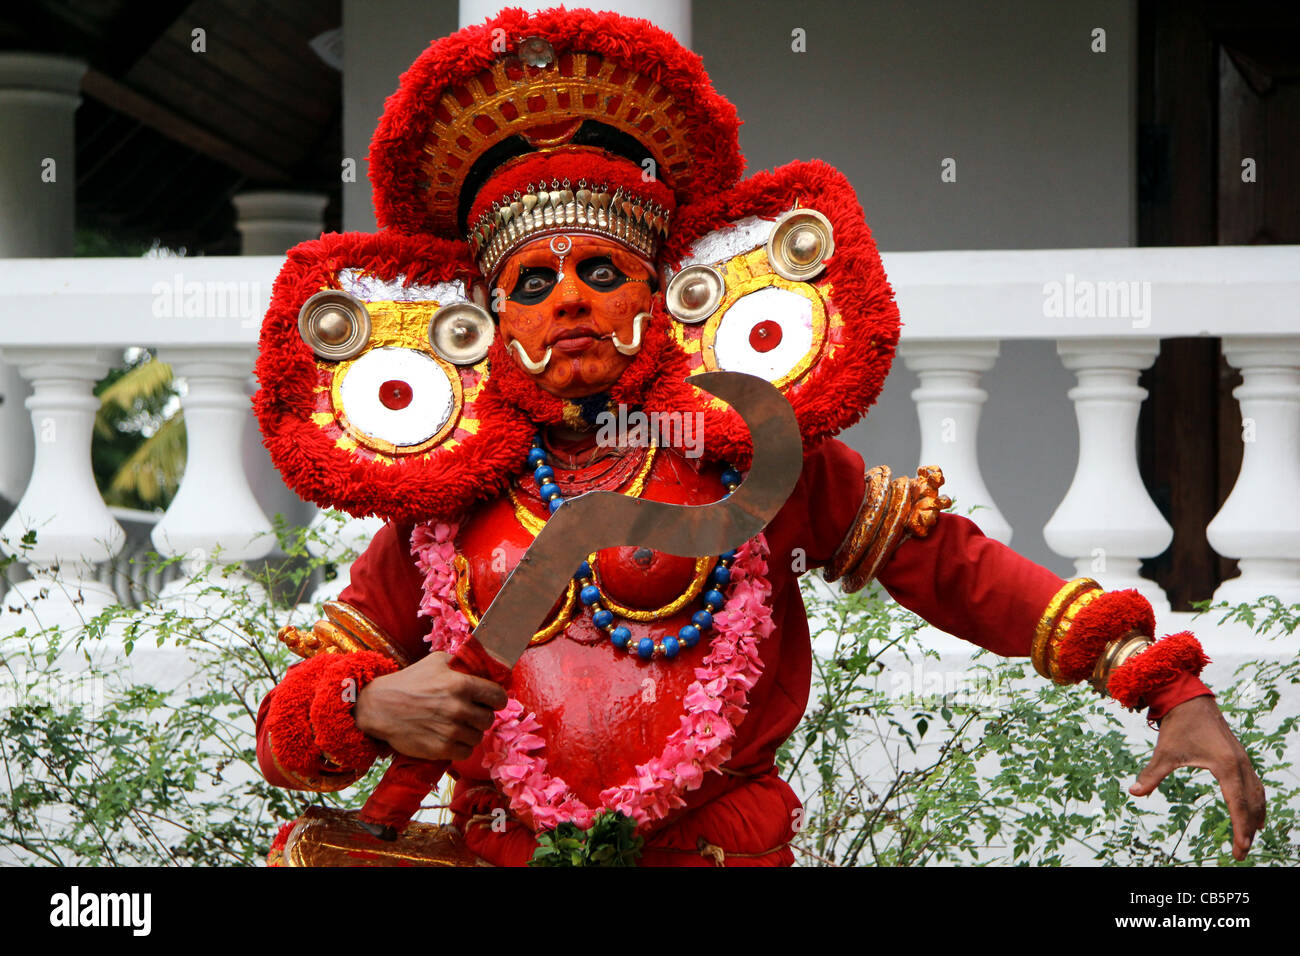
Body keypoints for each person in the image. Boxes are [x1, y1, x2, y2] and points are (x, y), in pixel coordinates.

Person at [252, 7, 1265, 866]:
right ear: (492, 325)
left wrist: (1159, 679)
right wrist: (371, 705)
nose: (568, 298)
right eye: (532, 282)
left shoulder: (750, 458)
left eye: (601, 272)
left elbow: (956, 568)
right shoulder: (443, 508)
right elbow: (289, 737)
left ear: (661, 292)